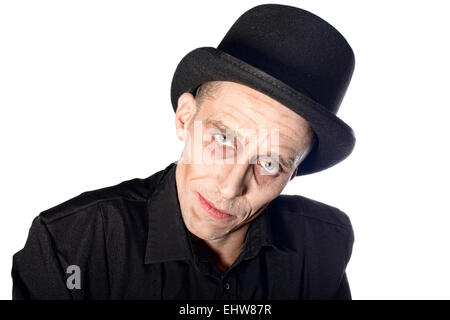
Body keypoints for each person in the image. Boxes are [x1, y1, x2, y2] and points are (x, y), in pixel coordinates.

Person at [12, 4, 356, 300]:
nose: (230, 186)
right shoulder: (72, 246)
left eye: (269, 162)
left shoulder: (322, 245)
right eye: (223, 140)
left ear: (293, 171)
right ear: (185, 118)